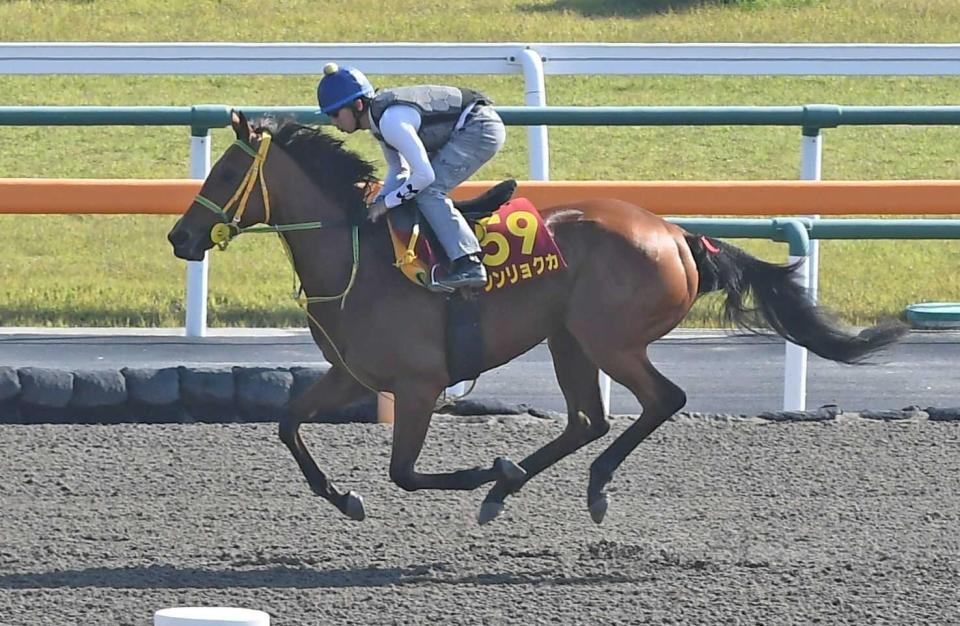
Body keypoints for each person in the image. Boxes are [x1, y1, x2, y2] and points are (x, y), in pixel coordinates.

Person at [316, 62, 506, 291]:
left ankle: (469, 263)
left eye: (335, 114)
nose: (333, 123)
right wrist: (376, 204)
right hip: (467, 125)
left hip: (479, 127)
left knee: (428, 192)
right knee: (418, 192)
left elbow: (424, 175)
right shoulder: (380, 123)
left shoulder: (390, 122)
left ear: (357, 105)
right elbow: (400, 171)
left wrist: (385, 203)